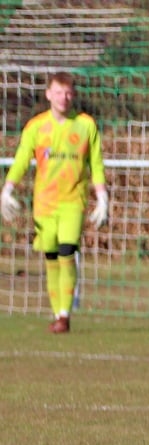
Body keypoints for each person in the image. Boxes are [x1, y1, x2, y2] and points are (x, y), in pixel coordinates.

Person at [1, 71, 108, 334]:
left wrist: (102, 196)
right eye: (59, 92)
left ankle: (64, 315)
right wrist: (7, 189)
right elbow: (22, 160)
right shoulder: (36, 127)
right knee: (50, 255)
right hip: (45, 204)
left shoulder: (85, 125)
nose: (64, 97)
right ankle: (57, 311)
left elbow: (95, 163)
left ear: (74, 95)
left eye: (69, 92)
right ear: (49, 94)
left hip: (74, 200)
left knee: (67, 251)